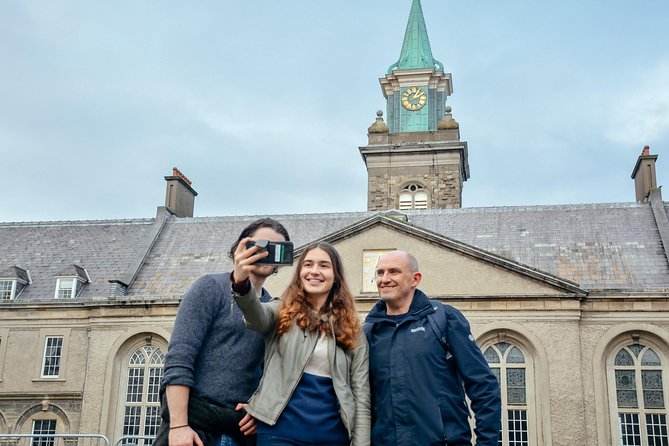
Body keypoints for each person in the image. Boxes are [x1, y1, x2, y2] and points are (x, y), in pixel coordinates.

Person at [155, 218, 290, 446]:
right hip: (196, 427)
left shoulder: (273, 308)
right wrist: (178, 426)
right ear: (241, 247)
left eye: (276, 249)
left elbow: (273, 373)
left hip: (240, 431)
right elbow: (179, 359)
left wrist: (260, 406)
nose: (266, 253)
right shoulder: (209, 288)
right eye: (261, 246)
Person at [232, 241, 371, 446]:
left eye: (324, 265)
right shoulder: (281, 311)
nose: (314, 271)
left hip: (333, 437)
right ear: (299, 273)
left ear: (336, 277)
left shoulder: (353, 329)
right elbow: (256, 314)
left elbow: (361, 394)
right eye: (308, 265)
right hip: (279, 433)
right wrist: (241, 283)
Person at [364, 250, 501, 446]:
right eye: (379, 273)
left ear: (415, 279)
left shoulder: (444, 319)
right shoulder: (370, 331)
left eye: (393, 272)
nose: (384, 279)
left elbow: (484, 386)